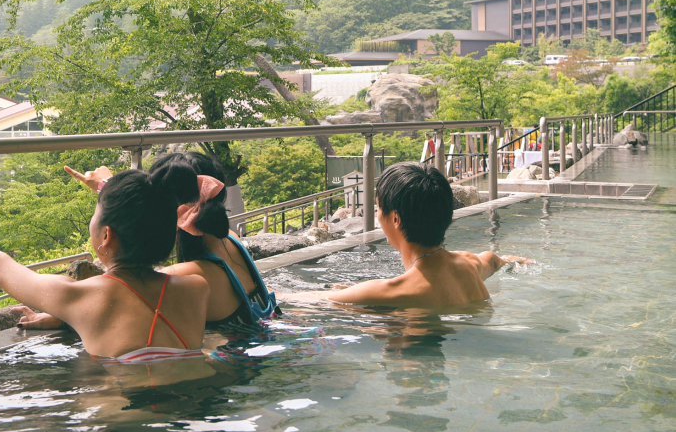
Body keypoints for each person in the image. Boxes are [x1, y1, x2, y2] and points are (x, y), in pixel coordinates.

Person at [0, 167, 210, 363]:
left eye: (95, 215)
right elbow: (148, 215)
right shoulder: (196, 288)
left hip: (126, 421)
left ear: (105, 236)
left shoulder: (80, 297)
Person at [62, 153, 278, 331]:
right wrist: (105, 185)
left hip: (234, 367)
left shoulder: (182, 277)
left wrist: (61, 318)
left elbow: (112, 301)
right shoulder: (231, 239)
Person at [280, 162, 529, 310]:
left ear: (396, 219)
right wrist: (512, 260)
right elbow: (494, 260)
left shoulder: (391, 292)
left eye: (378, 209)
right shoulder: (469, 265)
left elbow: (299, 300)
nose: (377, 216)